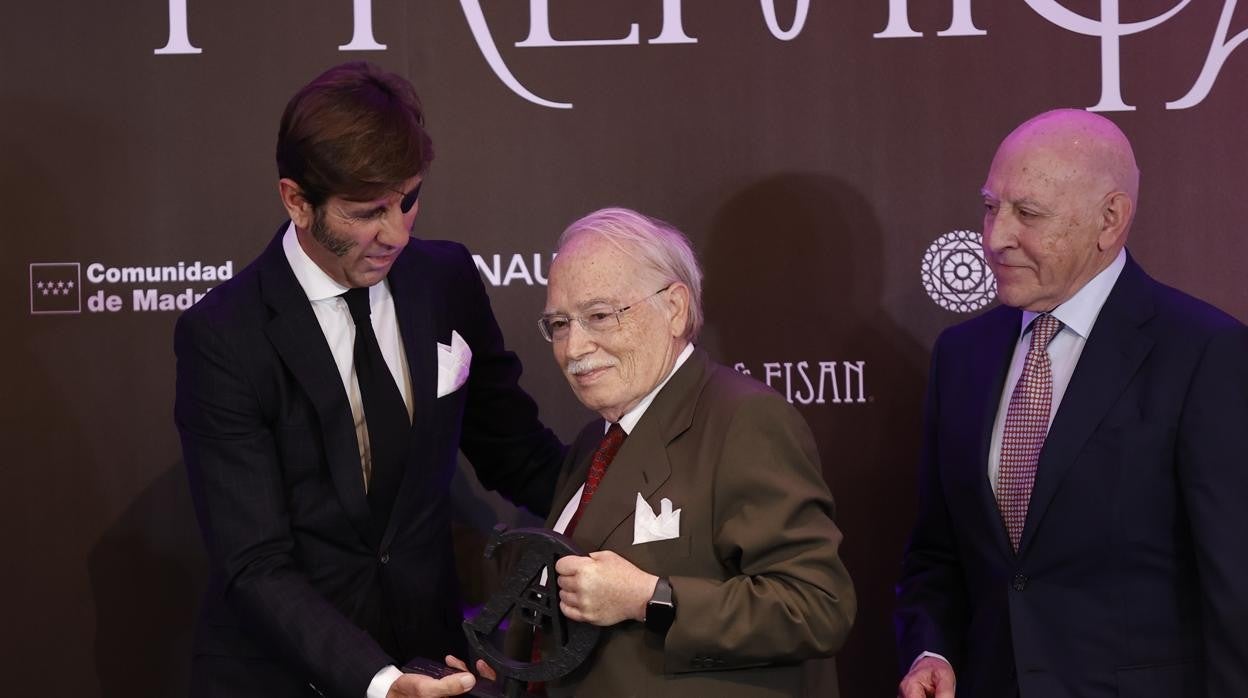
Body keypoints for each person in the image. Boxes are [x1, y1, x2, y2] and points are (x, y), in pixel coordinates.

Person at [174, 61, 563, 698]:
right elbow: (256, 564)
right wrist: (379, 682)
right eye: (366, 212)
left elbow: (516, 451)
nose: (396, 233)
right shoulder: (224, 336)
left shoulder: (445, 280)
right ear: (296, 200)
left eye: (407, 200)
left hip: (433, 661)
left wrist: (635, 501)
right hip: (283, 676)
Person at [895, 109, 1248, 698]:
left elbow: (1235, 586)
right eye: (990, 207)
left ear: (1110, 219)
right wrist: (932, 649)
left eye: (1027, 214)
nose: (994, 236)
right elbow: (938, 554)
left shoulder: (1204, 353)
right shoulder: (961, 356)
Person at [524, 207, 855, 696]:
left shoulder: (746, 422)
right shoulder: (596, 443)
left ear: (675, 308)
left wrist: (649, 598)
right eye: (559, 324)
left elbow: (816, 606)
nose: (574, 348)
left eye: (599, 316)